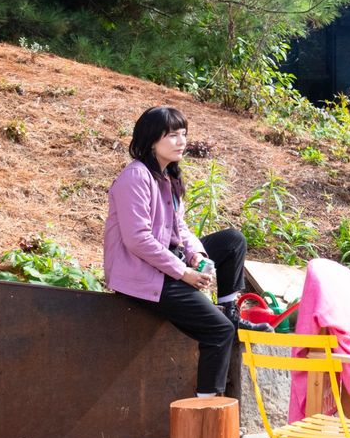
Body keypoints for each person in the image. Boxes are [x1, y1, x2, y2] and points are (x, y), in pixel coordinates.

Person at [103, 106, 269, 399]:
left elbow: (179, 227)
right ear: (152, 139)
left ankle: (231, 311)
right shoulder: (136, 177)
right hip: (142, 275)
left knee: (232, 241)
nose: (181, 141)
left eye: (184, 134)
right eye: (172, 135)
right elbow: (138, 239)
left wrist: (197, 256)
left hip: (166, 264)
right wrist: (185, 273)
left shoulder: (167, 177)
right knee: (218, 332)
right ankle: (207, 412)